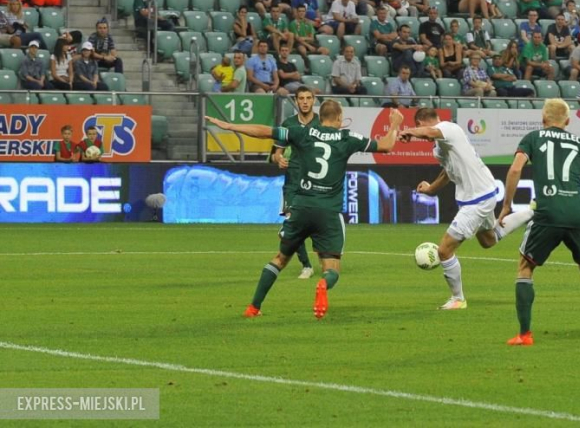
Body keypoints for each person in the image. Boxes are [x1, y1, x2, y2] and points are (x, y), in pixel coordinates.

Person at [206, 103, 404, 319]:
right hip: (328, 211)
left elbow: (264, 132)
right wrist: (394, 123)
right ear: (339, 118)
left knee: (280, 259)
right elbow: (386, 145)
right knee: (332, 268)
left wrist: (230, 126)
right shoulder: (348, 138)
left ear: (321, 118)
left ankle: (253, 307)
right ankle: (323, 283)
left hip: (301, 207)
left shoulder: (302, 132)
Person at [499, 98, 580, 346]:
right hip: (577, 213)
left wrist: (506, 206)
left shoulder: (533, 138)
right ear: (567, 121)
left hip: (548, 211)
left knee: (525, 266)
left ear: (543, 119)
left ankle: (525, 335)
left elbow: (514, 170)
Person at [399, 108, 534, 310]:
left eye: (418, 128)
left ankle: (458, 299)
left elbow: (429, 132)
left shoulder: (448, 128)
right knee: (488, 240)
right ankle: (532, 211)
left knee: (444, 250)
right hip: (482, 193)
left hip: (477, 199)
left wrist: (409, 131)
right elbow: (447, 172)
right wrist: (431, 190)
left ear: (420, 123)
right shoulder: (438, 148)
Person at [270, 86, 320, 280]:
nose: (305, 101)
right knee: (293, 223)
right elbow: (276, 153)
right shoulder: (288, 124)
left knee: (316, 223)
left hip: (316, 182)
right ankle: (306, 265)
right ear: (296, 101)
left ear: (314, 100)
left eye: (308, 98)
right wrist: (278, 159)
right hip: (293, 181)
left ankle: (328, 260)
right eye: (301, 98)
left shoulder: (322, 122)